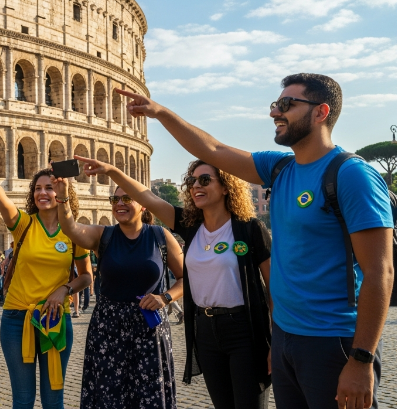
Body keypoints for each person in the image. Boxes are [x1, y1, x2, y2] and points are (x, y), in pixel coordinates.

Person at [116, 73, 394, 409]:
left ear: (321, 112)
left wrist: (361, 359)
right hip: (287, 339)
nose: (275, 112)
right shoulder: (279, 168)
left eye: (287, 105)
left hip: (332, 339)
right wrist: (160, 112)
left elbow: (381, 274)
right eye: (276, 104)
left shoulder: (351, 175)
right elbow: (213, 149)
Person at [80, 155, 274, 408]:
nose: (196, 186)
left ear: (226, 186)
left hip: (244, 329)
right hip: (205, 330)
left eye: (205, 180)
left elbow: (273, 288)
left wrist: (276, 339)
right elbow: (147, 197)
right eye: (191, 181)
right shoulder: (190, 226)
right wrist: (112, 171)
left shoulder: (249, 229)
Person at [0, 156, 92, 409]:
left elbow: (86, 276)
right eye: (37, 188)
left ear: (62, 192)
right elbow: (2, 201)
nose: (42, 193)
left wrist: (63, 290)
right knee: (22, 399)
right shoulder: (23, 224)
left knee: (54, 398)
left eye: (49, 188)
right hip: (16, 318)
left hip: (55, 318)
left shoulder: (75, 232)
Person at [54, 176, 183, 409]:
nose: (119, 204)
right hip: (108, 329)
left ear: (143, 203)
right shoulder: (103, 235)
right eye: (115, 199)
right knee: (109, 397)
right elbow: (70, 228)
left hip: (149, 328)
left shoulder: (160, 236)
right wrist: (63, 196)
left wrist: (165, 298)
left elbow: (187, 277)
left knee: (149, 397)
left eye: (127, 198)